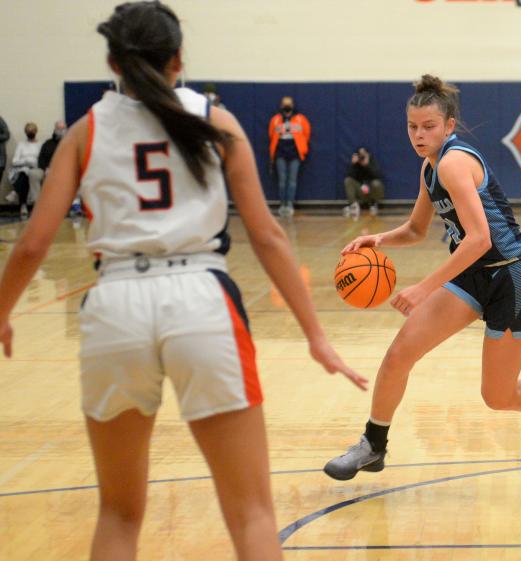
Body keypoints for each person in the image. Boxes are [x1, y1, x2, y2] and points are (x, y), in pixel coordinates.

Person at [0, 3, 366, 560]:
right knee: (252, 513)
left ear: (111, 61)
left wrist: (1, 312)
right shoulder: (215, 120)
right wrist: (315, 335)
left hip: (113, 304)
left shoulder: (85, 130)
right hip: (201, 299)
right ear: (178, 59)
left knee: (118, 515)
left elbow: (31, 243)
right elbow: (267, 237)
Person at [324, 74, 521, 481]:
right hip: (474, 277)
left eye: (428, 126)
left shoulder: (455, 163)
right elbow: (416, 230)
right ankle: (373, 445)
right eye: (412, 126)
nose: (419, 135)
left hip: (513, 278)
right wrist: (378, 239)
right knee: (399, 355)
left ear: (449, 125)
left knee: (498, 396)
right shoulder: (430, 167)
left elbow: (478, 239)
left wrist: (423, 288)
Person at [268, 96, 310, 217]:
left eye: (289, 104)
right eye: (285, 104)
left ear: (292, 105)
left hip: (295, 153)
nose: (287, 106)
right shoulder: (275, 120)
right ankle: (283, 205)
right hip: (280, 152)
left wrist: (302, 148)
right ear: (281, 105)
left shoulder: (300, 119)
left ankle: (290, 205)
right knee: (282, 180)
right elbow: (271, 134)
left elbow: (306, 133)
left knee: (292, 180)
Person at [8, 122, 44, 217]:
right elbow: (14, 161)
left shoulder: (40, 145)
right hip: (21, 168)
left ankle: (16, 194)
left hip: (36, 168)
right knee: (24, 173)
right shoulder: (21, 145)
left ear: (36, 132)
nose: (30, 132)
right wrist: (26, 161)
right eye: (28, 131)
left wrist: (33, 163)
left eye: (32, 131)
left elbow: (42, 161)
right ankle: (23, 204)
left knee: (29, 173)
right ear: (26, 132)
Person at [343, 146, 385, 217]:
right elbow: (350, 176)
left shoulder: (372, 162)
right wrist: (353, 165)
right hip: (361, 190)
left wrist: (367, 165)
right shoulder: (356, 165)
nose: (361, 157)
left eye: (363, 155)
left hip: (371, 190)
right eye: (360, 155)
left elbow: (378, 176)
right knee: (348, 180)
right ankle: (353, 205)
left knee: (377, 183)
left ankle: (374, 204)